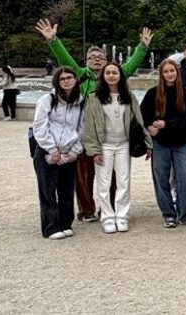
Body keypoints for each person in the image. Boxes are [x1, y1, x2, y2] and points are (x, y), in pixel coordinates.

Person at [36, 19, 151, 223]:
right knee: (83, 175)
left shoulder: (113, 76)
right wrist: (53, 40)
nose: (96, 59)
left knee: (113, 175)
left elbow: (131, 65)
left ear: (107, 61)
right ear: (86, 61)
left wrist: (143, 46)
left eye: (100, 57)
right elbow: (65, 59)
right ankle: (86, 209)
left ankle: (110, 208)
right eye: (92, 57)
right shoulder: (80, 76)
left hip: (110, 136)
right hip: (85, 133)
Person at [81, 62, 137, 234]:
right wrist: (94, 149)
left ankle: (122, 215)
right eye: (108, 73)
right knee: (104, 183)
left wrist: (147, 144)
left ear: (120, 75)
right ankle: (107, 216)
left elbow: (138, 121)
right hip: (104, 146)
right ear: (103, 76)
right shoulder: (93, 98)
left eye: (115, 72)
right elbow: (88, 126)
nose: (111, 75)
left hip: (123, 145)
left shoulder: (129, 96)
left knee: (123, 182)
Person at [141, 58, 186, 228]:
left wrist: (167, 124)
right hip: (161, 143)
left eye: (172, 71)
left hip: (181, 142)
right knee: (161, 178)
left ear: (177, 72)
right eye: (166, 71)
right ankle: (168, 213)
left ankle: (185, 212)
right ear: (161, 74)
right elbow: (143, 115)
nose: (169, 74)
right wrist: (150, 128)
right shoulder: (153, 93)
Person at [31, 66, 84, 239]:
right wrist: (51, 148)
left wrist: (75, 151)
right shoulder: (47, 100)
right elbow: (39, 126)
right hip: (47, 151)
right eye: (63, 78)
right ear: (57, 81)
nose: (67, 80)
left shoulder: (79, 101)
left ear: (75, 80)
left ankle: (65, 223)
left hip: (69, 151)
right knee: (48, 190)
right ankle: (51, 227)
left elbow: (82, 128)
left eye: (70, 77)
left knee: (66, 189)